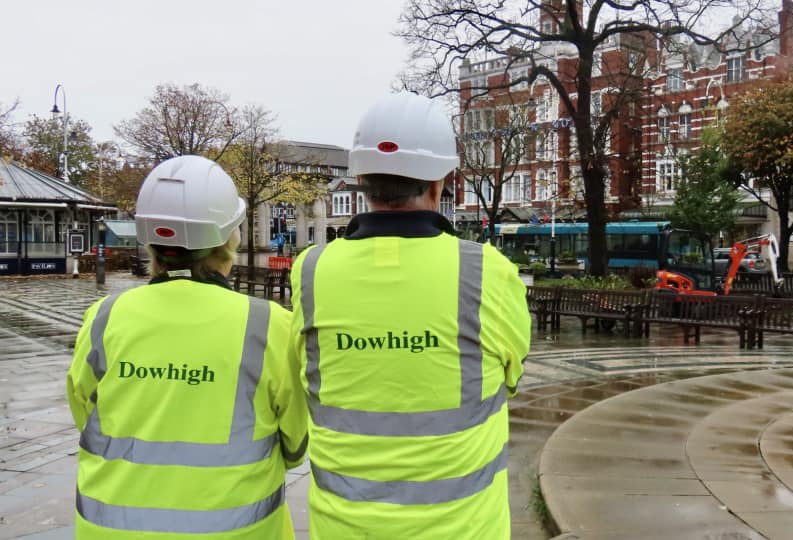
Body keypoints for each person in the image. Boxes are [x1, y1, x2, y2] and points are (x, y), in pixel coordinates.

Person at [288, 92, 530, 539]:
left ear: (360, 178)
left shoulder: (312, 271)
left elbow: (306, 375)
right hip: (464, 528)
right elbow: (510, 376)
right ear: (440, 182)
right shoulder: (487, 271)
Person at [66, 155, 307, 540]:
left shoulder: (104, 317)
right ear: (230, 237)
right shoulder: (267, 325)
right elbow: (295, 445)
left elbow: (89, 418)